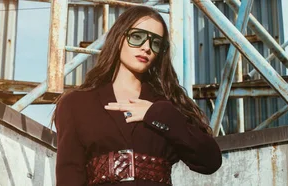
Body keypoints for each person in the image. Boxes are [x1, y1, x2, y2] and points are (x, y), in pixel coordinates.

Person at [53, 5, 222, 186]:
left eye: (156, 43)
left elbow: (210, 160)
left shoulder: (166, 104)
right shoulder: (76, 104)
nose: (146, 47)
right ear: (119, 38)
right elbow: (68, 174)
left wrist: (158, 114)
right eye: (137, 37)